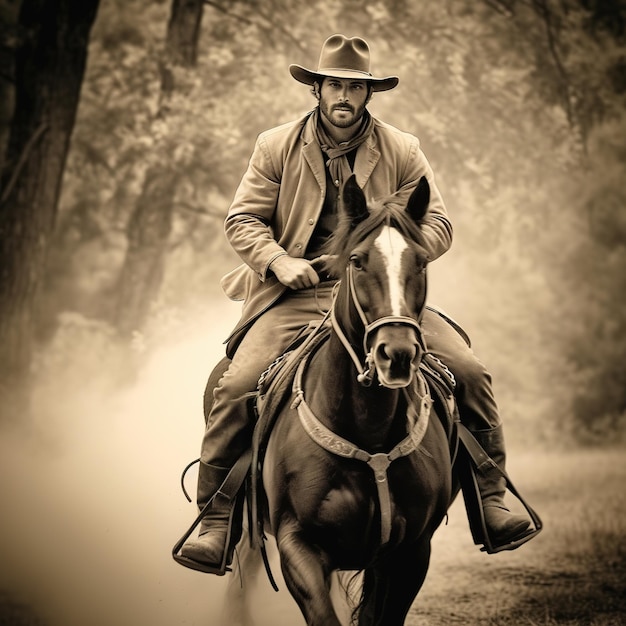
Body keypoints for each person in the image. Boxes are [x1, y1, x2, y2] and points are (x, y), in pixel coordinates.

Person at [180, 34, 532, 572]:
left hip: (379, 290)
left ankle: (491, 499)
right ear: (317, 89)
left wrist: (399, 250)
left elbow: (438, 222)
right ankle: (217, 519)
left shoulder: (404, 149)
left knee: (468, 370)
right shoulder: (275, 145)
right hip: (295, 293)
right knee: (236, 384)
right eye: (335, 85)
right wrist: (279, 261)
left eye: (355, 87)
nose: (344, 95)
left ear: (369, 94)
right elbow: (242, 219)